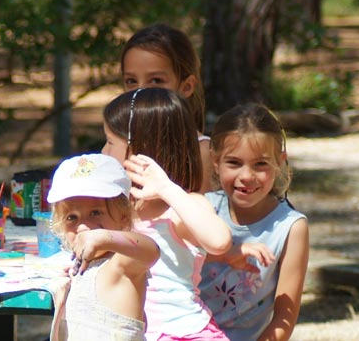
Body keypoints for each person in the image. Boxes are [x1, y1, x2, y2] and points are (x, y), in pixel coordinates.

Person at [103, 87, 233, 341]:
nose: (103, 151)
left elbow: (219, 241)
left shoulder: (181, 209)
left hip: (180, 333)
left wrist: (165, 188)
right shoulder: (117, 209)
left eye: (110, 142)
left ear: (142, 151)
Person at [198, 103, 309, 341]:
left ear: (280, 161)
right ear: (215, 161)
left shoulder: (290, 227)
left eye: (260, 164)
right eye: (234, 163)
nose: (247, 176)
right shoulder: (202, 209)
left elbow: (284, 319)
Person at [47, 154, 159, 341]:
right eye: (71, 217)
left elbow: (152, 250)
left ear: (123, 217)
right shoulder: (81, 268)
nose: (83, 226)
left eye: (96, 213)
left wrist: (103, 237)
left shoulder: (121, 264)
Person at [120, 23, 215, 192]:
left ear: (186, 87)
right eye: (131, 81)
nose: (140, 91)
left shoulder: (201, 153)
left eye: (156, 80)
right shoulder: (120, 146)